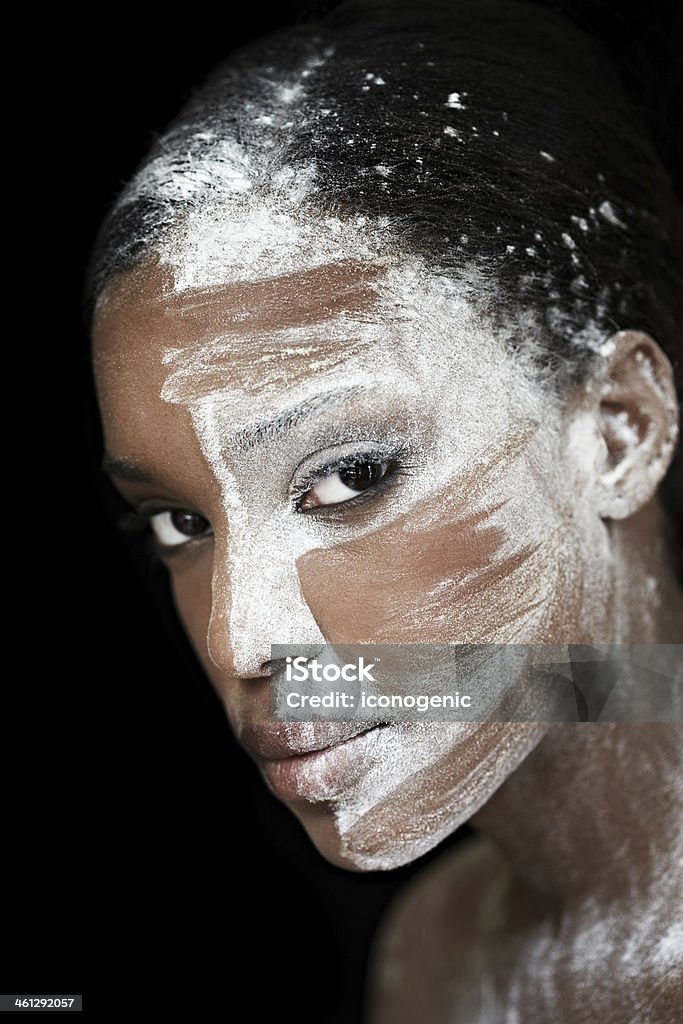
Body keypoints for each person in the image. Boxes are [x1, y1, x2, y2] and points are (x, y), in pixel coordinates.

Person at [85, 1, 682, 1019]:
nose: (240, 639)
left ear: (615, 430)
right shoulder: (431, 962)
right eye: (179, 524)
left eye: (349, 475)